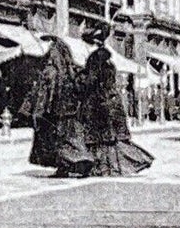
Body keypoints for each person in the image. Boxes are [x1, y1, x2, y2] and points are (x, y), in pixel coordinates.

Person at [77, 22, 153, 176]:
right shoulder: (109, 61)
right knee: (112, 140)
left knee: (98, 139)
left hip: (98, 103)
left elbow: (90, 81)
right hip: (112, 102)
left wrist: (79, 78)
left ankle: (101, 167)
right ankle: (115, 166)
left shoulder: (95, 60)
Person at [29, 36, 93, 177]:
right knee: (72, 141)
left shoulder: (51, 72)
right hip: (73, 112)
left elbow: (45, 94)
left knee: (59, 142)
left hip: (56, 112)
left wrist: (39, 111)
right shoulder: (72, 70)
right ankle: (71, 166)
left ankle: (78, 164)